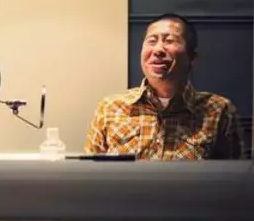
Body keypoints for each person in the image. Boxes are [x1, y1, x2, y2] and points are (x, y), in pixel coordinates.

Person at [85, 13, 243, 160]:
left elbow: (234, 177)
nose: (158, 49)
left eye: (169, 41)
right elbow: (90, 173)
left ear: (192, 57)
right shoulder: (110, 108)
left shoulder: (219, 111)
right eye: (152, 41)